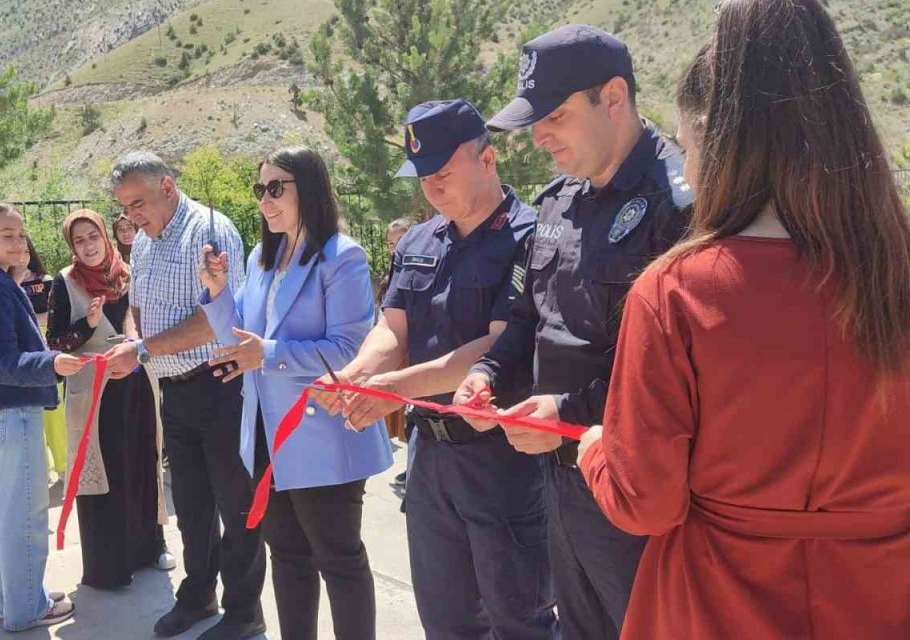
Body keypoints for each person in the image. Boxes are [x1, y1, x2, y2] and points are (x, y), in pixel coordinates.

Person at [577, 2, 910, 637]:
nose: (687, 167)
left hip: (715, 605)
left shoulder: (675, 292)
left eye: (686, 144)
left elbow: (645, 501)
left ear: (717, 137)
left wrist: (597, 452)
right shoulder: (894, 275)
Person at [454, 25, 692, 640]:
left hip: (638, 491)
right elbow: (530, 318)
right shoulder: (557, 202)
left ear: (613, 97)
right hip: (560, 481)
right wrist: (487, 375)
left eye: (555, 115)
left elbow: (676, 374)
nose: (539, 136)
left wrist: (565, 411)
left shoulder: (681, 204)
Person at [316, 99, 554, 640]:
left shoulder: (530, 238)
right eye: (422, 175)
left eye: (443, 172)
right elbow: (392, 329)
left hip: (502, 459)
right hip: (430, 458)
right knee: (445, 620)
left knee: (520, 619)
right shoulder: (420, 241)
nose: (430, 187)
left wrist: (391, 389)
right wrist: (354, 374)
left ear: (488, 159)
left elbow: (494, 348)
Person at [198, 146, 392, 640]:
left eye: (276, 187)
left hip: (323, 433)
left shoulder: (342, 255)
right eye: (260, 188)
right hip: (268, 435)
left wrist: (269, 354)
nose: (266, 199)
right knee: (286, 556)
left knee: (339, 559)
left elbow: (349, 349)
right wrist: (219, 292)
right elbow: (239, 337)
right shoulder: (261, 259)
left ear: (310, 187)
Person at [99, 151, 266, 640]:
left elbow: (215, 321)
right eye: (125, 208)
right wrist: (134, 340)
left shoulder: (209, 233)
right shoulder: (146, 242)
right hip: (173, 390)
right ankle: (197, 596)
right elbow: (136, 305)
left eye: (138, 203)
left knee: (237, 506)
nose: (131, 217)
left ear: (167, 187)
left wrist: (143, 349)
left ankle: (243, 611)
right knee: (191, 506)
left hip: (220, 387)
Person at [0, 203, 82, 631]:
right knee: (25, 513)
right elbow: (3, 362)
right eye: (7, 234)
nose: (19, 242)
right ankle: (28, 609)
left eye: (21, 235)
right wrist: (52, 363)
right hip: (10, 411)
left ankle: (17, 600)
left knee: (8, 514)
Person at [46, 209, 173, 590]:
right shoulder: (66, 282)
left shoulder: (126, 274)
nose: (88, 246)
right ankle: (110, 565)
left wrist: (135, 347)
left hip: (135, 383)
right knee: (105, 472)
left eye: (93, 237)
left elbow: (150, 323)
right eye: (79, 240)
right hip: (96, 391)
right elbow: (54, 342)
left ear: (105, 236)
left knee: (143, 460)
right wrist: (86, 324)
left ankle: (151, 546)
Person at [10, 237, 66, 476]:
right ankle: (40, 469)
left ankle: (65, 465)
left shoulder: (47, 282)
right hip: (19, 353)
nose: (21, 255)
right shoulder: (5, 284)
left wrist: (31, 319)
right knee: (30, 413)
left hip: (47, 348)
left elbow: (56, 316)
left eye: (25, 250)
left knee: (56, 410)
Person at [379, 218, 413, 486]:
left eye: (399, 242)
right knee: (406, 417)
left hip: (415, 353)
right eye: (391, 244)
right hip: (396, 351)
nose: (394, 249)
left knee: (412, 413)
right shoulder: (391, 273)